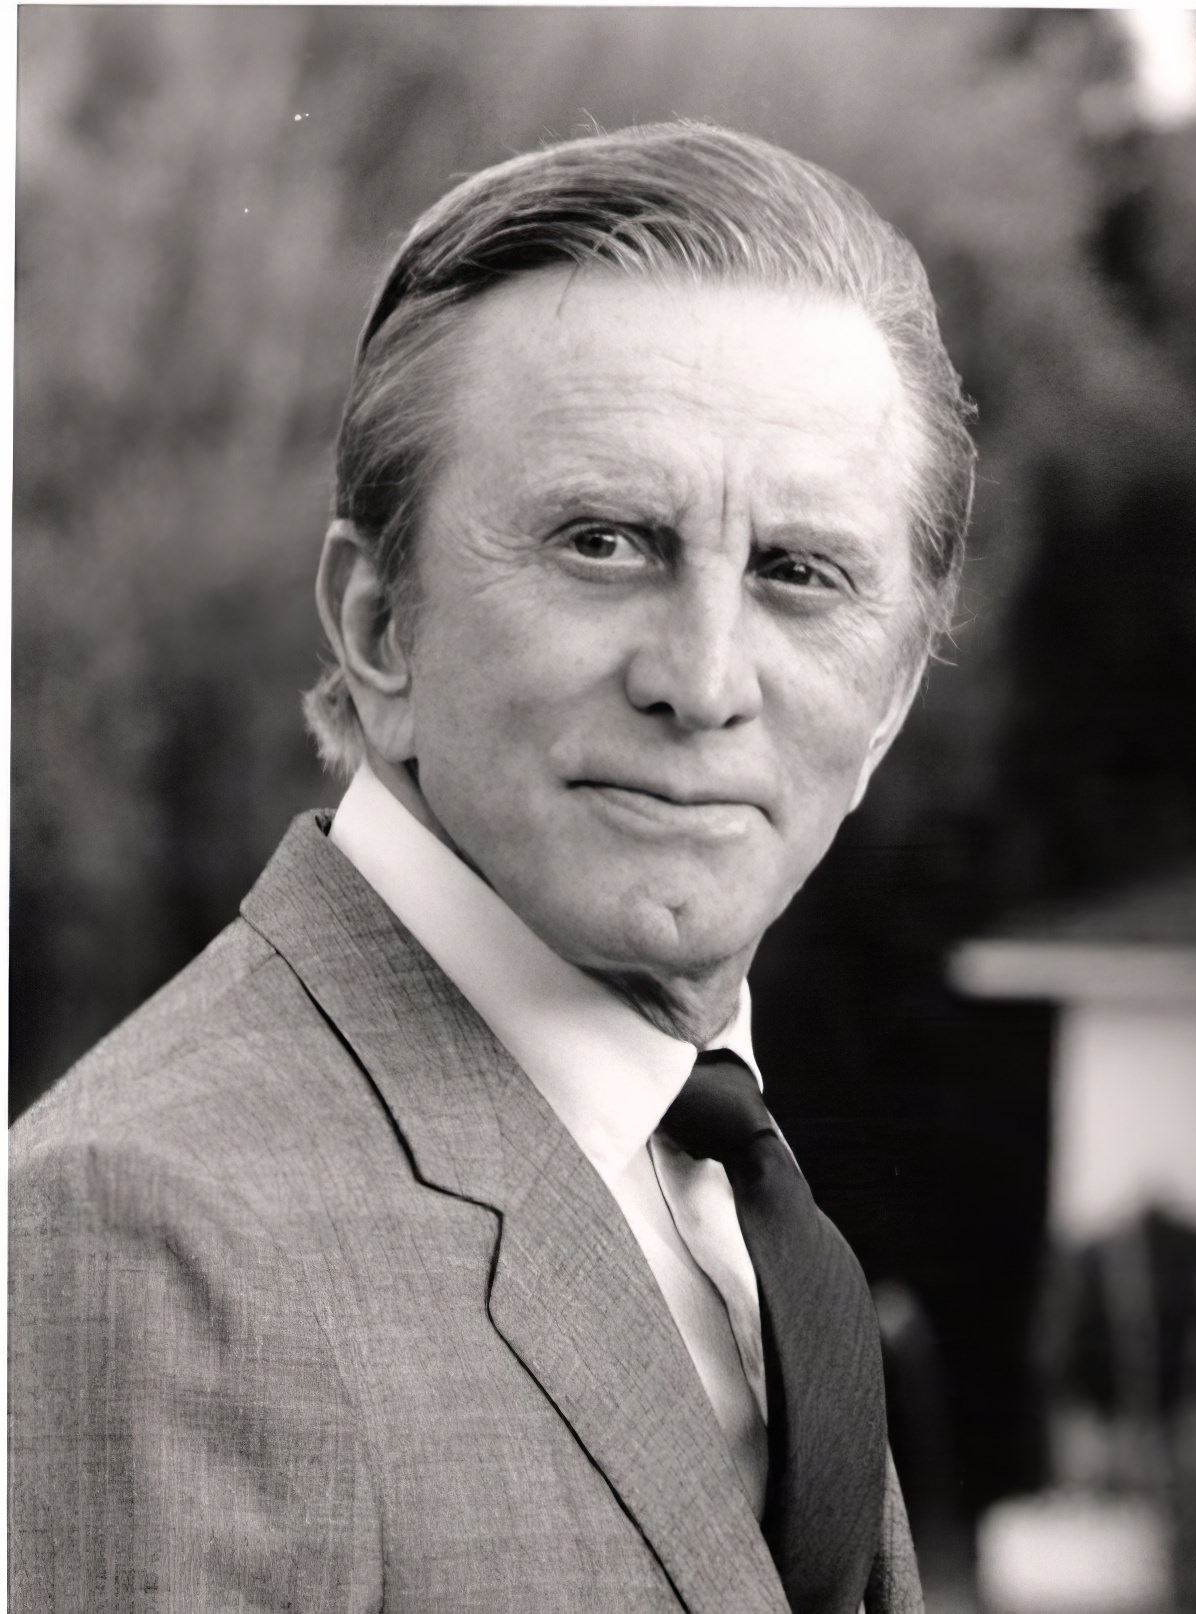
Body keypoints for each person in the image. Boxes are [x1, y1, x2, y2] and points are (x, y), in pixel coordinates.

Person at [9, 121, 975, 1612]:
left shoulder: (727, 1182)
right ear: (380, 623)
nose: (704, 677)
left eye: (799, 572)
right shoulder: (148, 1235)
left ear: (897, 687)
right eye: (605, 541)